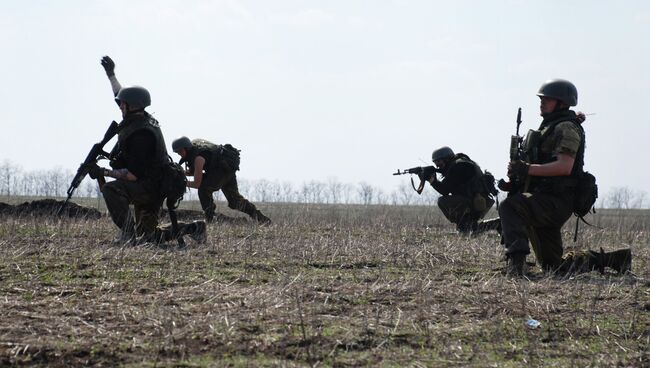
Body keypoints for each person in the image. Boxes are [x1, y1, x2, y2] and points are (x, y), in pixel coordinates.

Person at [499, 79, 631, 276]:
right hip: (544, 200)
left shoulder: (566, 128)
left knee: (510, 207)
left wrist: (527, 169)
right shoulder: (551, 126)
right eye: (541, 99)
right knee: (554, 267)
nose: (542, 103)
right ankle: (612, 259)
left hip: (555, 202)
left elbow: (564, 166)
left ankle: (516, 265)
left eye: (548, 99)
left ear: (562, 102)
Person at [90, 55, 206, 245]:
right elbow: (119, 93)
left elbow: (133, 175)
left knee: (111, 189)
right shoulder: (137, 118)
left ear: (131, 106)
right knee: (149, 237)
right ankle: (194, 228)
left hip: (150, 188)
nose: (120, 107)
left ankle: (128, 236)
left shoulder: (141, 135)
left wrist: (102, 172)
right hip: (150, 184)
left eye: (123, 104)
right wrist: (111, 74)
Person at [171, 136, 271, 224]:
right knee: (235, 201)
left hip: (221, 171)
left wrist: (181, 182)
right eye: (177, 152)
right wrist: (180, 173)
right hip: (226, 169)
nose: (179, 154)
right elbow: (196, 172)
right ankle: (262, 219)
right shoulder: (195, 150)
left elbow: (197, 183)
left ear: (187, 148)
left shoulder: (198, 158)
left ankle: (210, 219)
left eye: (180, 151)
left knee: (203, 188)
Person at [426, 146, 497, 234]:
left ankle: (465, 226)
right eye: (435, 162)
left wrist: (432, 181)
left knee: (443, 201)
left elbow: (445, 190)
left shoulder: (459, 166)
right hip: (475, 200)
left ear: (447, 158)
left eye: (438, 161)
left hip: (476, 201)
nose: (437, 165)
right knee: (472, 227)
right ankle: (470, 226)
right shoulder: (460, 163)